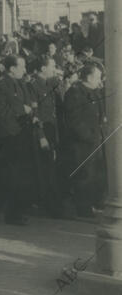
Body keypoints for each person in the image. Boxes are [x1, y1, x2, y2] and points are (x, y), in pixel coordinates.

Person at [0, 55, 34, 225]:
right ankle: (11, 213)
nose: (24, 69)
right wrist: (21, 109)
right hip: (9, 138)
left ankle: (18, 210)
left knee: (20, 175)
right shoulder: (0, 85)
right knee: (10, 176)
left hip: (21, 136)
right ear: (12, 68)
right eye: (21, 66)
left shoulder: (21, 84)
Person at [64, 62, 107, 217]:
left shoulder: (95, 91)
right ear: (88, 77)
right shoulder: (75, 92)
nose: (99, 81)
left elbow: (100, 113)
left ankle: (93, 204)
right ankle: (83, 208)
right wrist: (87, 136)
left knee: (97, 173)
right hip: (82, 143)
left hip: (96, 140)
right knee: (85, 175)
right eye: (97, 77)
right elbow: (74, 120)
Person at [28, 56, 63, 218]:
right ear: (43, 68)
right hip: (41, 133)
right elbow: (35, 113)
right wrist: (41, 136)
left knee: (51, 168)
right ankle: (48, 206)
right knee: (45, 169)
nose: (55, 69)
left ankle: (51, 204)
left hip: (51, 132)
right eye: (53, 66)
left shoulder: (49, 84)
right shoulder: (34, 85)